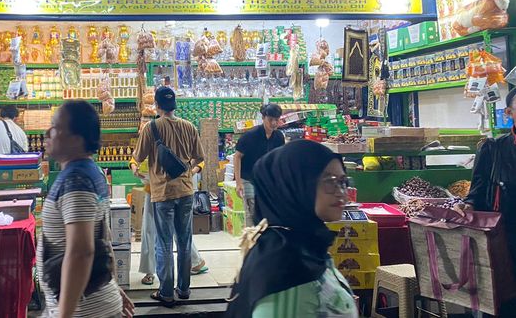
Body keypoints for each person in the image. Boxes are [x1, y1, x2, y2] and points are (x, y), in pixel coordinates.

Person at [226, 140, 357, 318]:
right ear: (293, 185)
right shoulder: (286, 270)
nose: (341, 192)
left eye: (343, 182)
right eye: (329, 181)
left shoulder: (303, 244)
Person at [37, 100, 134, 318]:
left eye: (55, 127)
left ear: (76, 139)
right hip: (93, 304)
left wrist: (64, 315)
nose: (47, 133)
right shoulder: (91, 172)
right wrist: (113, 286)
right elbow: (103, 239)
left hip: (84, 312)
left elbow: (81, 252)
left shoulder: (77, 180)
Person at [134, 86, 205, 307]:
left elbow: (137, 158)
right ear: (174, 105)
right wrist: (190, 172)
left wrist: (135, 169)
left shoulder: (151, 128)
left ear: (156, 105)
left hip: (162, 193)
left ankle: (166, 292)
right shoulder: (189, 127)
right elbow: (200, 159)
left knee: (163, 243)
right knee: (184, 242)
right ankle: (184, 290)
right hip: (185, 191)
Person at [130, 156, 208, 286]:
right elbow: (135, 158)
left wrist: (190, 171)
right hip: (166, 190)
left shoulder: (153, 136)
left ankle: (158, 278)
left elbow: (199, 159)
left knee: (156, 231)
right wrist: (135, 168)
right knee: (179, 232)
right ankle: (193, 265)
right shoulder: (151, 137)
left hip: (165, 191)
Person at [461, 88, 516, 270]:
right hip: (507, 240)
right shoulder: (492, 150)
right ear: (509, 113)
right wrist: (466, 206)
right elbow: (476, 193)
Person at [234, 103, 285, 226]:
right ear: (263, 118)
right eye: (270, 119)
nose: (273, 123)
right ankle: (252, 237)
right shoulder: (250, 136)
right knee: (252, 208)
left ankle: (263, 237)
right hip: (248, 177)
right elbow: (237, 157)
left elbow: (279, 159)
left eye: (276, 120)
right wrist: (238, 183)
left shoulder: (278, 137)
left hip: (267, 179)